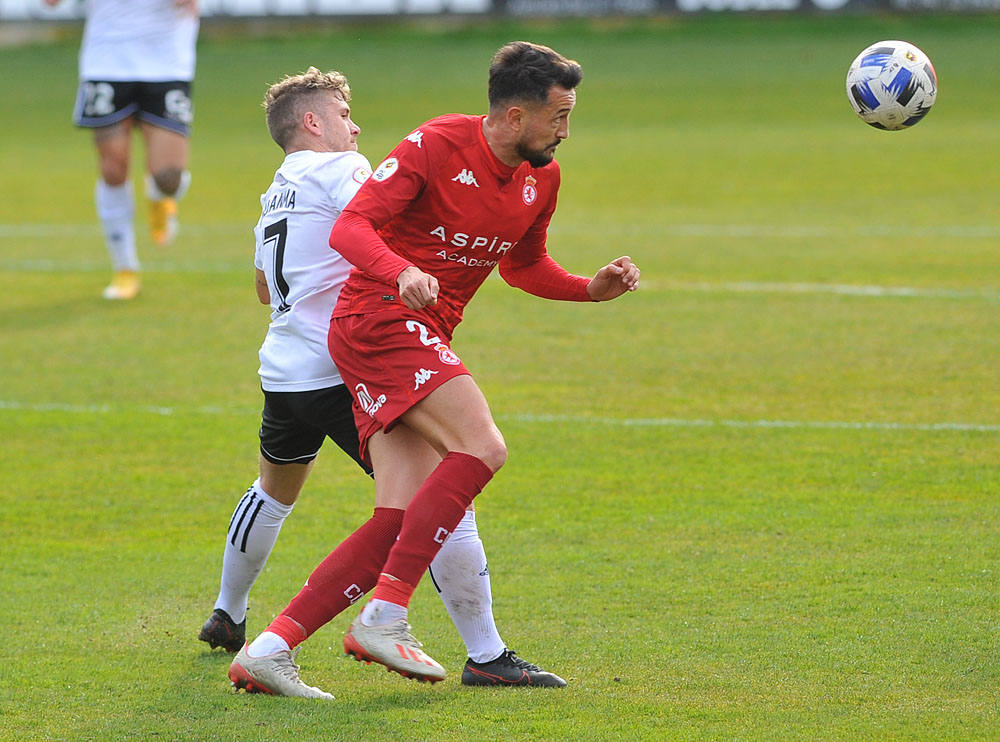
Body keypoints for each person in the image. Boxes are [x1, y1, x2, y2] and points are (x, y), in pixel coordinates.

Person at [229, 42, 640, 696]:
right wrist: (403, 270)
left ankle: (270, 649)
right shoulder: (437, 143)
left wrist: (590, 288)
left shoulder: (542, 178)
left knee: (401, 513)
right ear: (513, 116)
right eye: (558, 116)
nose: (566, 130)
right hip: (378, 320)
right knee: (482, 447)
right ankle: (387, 613)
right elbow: (352, 230)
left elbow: (523, 264)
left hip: (411, 332)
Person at [45, 0, 198, 300]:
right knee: (113, 169)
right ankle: (125, 268)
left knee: (169, 178)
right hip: (107, 60)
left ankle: (159, 199)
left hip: (166, 63)